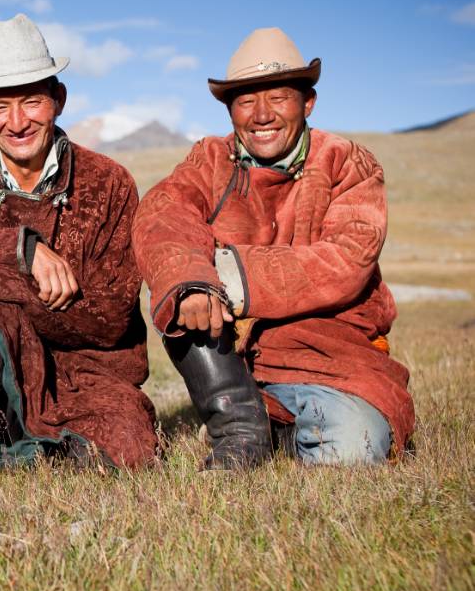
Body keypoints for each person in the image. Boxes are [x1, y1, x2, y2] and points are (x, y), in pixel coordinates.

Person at [132, 27, 414, 468]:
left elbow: (345, 260)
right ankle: (242, 432)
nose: (261, 114)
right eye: (246, 101)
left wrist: (229, 273)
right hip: (241, 363)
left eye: (278, 97)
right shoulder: (210, 159)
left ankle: (285, 429)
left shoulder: (347, 163)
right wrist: (190, 278)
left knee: (350, 456)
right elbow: (162, 213)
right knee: (180, 285)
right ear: (230, 110)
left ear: (308, 102)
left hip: (331, 357)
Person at [0, 14, 156, 476]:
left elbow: (110, 315)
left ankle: (20, 449)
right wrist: (17, 251)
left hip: (85, 372)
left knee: (129, 450)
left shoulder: (109, 184)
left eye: (32, 102)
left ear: (58, 100)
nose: (17, 122)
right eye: (0, 107)